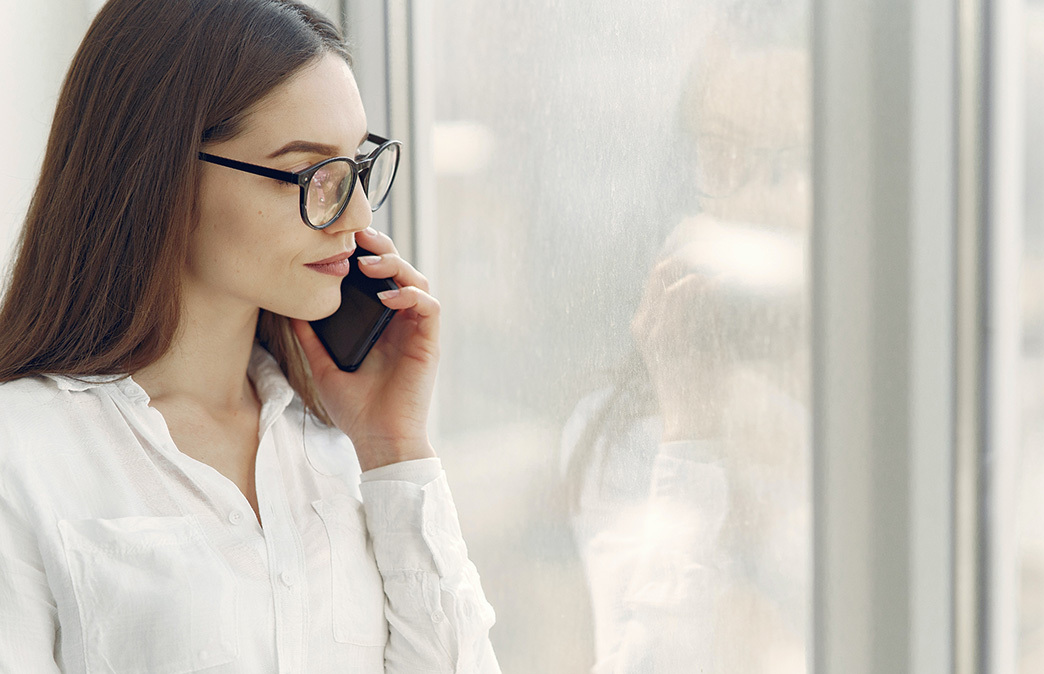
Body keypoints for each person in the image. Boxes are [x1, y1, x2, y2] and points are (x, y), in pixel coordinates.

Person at [0, 1, 500, 672]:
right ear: (165, 171)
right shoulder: (25, 455)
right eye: (311, 174)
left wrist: (394, 449)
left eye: (356, 164)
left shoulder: (343, 452)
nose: (355, 213)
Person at [559, 3, 811, 672]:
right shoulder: (628, 436)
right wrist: (692, 431)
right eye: (725, 155)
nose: (760, 198)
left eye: (800, 161)